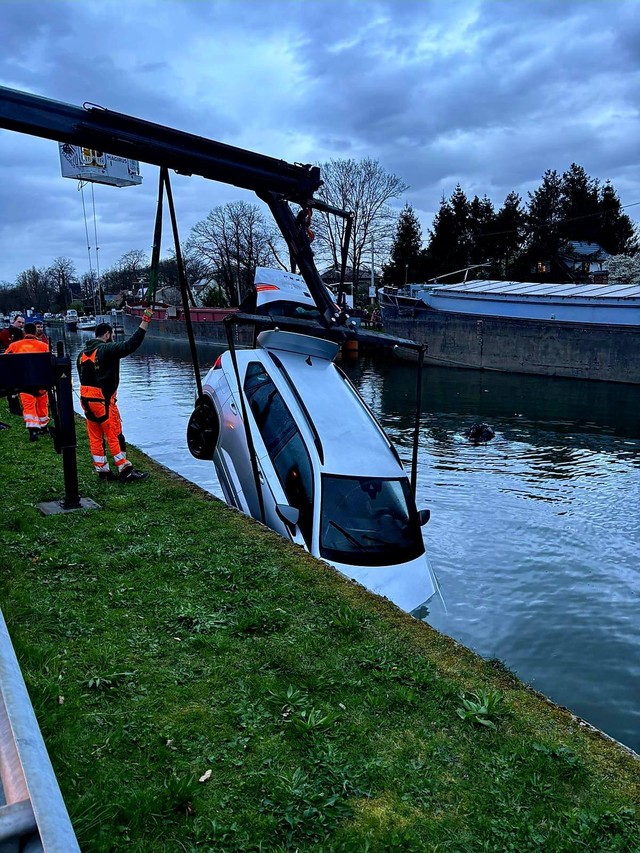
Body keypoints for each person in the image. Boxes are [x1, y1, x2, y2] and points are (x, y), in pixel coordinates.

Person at [76, 310, 153, 481]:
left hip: (86, 401)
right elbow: (130, 345)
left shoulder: (81, 355)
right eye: (111, 335)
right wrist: (145, 322)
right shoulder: (106, 349)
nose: (112, 338)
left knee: (95, 435)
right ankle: (125, 470)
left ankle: (102, 470)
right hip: (103, 400)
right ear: (107, 335)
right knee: (114, 434)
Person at [3, 322, 50, 441]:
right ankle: (44, 427)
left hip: (24, 382)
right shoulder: (44, 346)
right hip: (41, 382)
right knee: (42, 404)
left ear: (24, 332)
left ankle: (33, 431)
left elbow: (5, 361)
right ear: (35, 332)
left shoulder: (14, 346)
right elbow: (49, 363)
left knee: (28, 406)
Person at [0, 315, 26, 415]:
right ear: (14, 321)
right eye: (19, 322)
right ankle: (14, 409)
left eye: (23, 323)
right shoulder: (6, 332)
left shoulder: (22, 334)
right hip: (7, 362)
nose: (21, 324)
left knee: (16, 386)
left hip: (17, 362)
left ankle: (17, 407)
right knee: (11, 387)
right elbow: (8, 346)